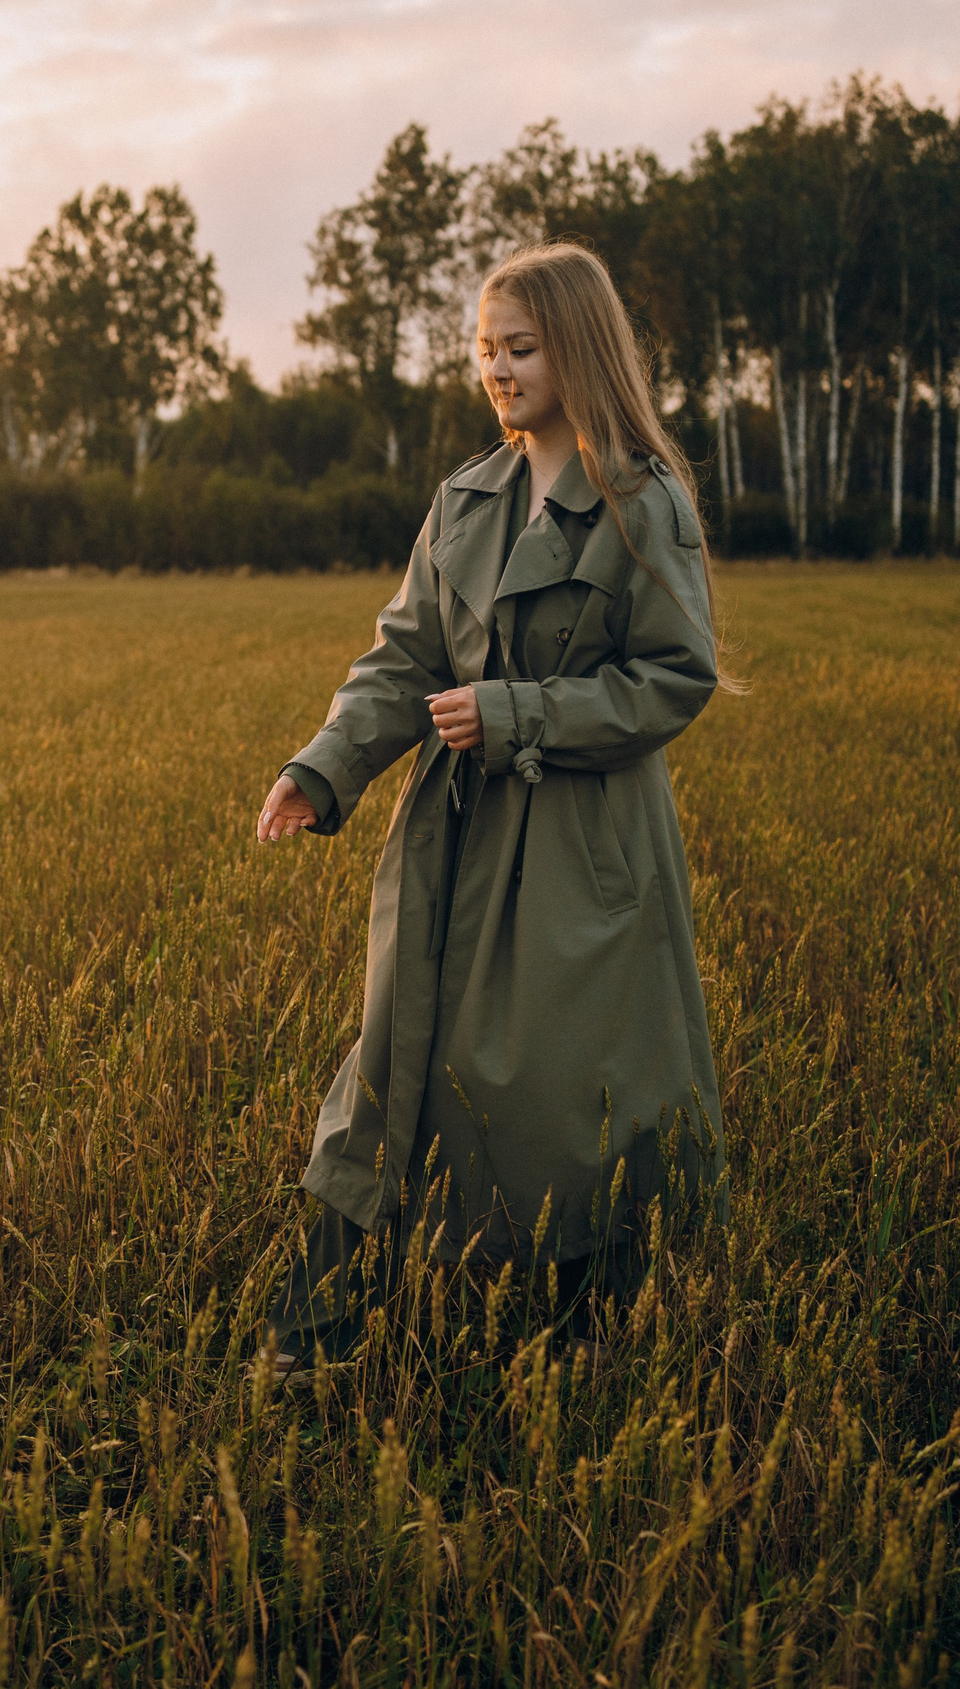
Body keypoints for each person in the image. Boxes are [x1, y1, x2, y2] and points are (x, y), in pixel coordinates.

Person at [254, 240, 733, 1374]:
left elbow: (676, 678)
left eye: (519, 348)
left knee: (565, 1102)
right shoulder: (466, 498)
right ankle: (310, 1336)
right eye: (484, 351)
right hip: (450, 840)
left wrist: (519, 713)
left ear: (576, 347)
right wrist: (321, 768)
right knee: (386, 1072)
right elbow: (403, 655)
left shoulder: (641, 500)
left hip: (580, 854)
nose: (498, 372)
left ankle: (584, 1346)